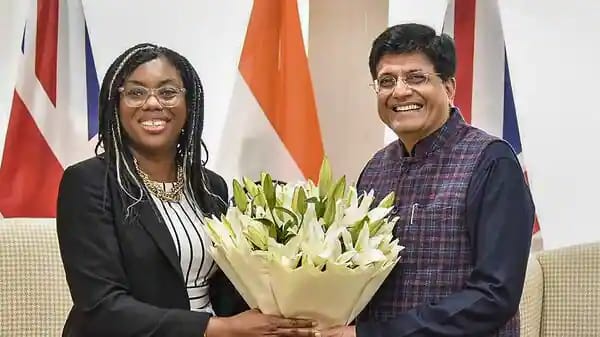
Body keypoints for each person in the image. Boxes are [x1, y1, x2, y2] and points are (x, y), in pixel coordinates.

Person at [56, 43, 318, 337]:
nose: (153, 103)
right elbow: (103, 306)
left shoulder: (211, 187)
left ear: (189, 104)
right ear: (115, 106)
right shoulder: (89, 183)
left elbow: (227, 289)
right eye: (135, 92)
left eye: (167, 92)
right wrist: (218, 329)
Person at [323, 23, 535, 337]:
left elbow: (494, 296)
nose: (400, 91)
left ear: (449, 88)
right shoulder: (375, 168)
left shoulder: (492, 162)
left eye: (416, 77)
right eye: (386, 81)